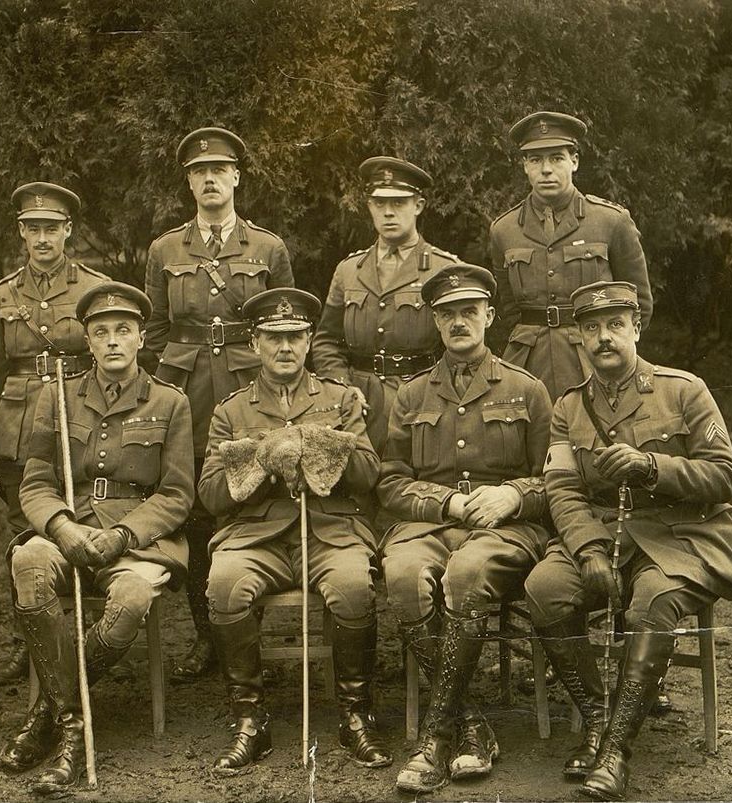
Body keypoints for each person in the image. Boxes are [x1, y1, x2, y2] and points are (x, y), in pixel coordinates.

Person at [525, 281, 732, 800]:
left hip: (681, 536)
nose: (603, 338)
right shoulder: (569, 408)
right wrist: (585, 548)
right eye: (591, 328)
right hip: (602, 534)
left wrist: (653, 466)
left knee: (651, 602)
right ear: (580, 338)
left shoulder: (684, 389)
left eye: (614, 325)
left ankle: (615, 752)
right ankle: (597, 720)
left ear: (635, 328)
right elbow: (561, 487)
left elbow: (724, 476)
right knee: (544, 588)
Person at [2, 282, 193, 793]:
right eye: (101, 332)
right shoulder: (59, 397)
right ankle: (71, 721)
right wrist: (61, 526)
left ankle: (51, 713)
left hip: (139, 536)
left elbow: (177, 494)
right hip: (71, 523)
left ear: (140, 340)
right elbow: (37, 481)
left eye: (124, 331)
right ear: (87, 341)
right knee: (30, 561)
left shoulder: (170, 402)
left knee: (131, 596)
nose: (113, 341)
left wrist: (125, 534)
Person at [199, 288, 392, 774]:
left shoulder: (341, 399)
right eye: (273, 338)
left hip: (329, 530)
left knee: (352, 588)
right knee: (224, 586)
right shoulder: (231, 410)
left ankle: (354, 714)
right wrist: (262, 457)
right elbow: (210, 494)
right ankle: (250, 719)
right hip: (256, 536)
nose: (285, 347)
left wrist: (316, 444)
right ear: (254, 344)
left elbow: (370, 474)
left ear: (309, 342)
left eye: (295, 337)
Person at [378, 265, 552, 793]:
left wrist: (513, 495)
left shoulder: (528, 389)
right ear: (434, 321)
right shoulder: (410, 396)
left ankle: (433, 739)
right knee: (404, 578)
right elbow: (390, 484)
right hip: (428, 526)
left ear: (489, 316)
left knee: (466, 575)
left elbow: (556, 480)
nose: (459, 322)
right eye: (448, 314)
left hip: (504, 531)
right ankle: (471, 725)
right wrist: (448, 502)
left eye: (469, 312)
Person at [144, 126, 294, 682]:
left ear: (236, 178)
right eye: (198, 172)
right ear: (188, 182)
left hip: (246, 389)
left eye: (219, 170)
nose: (209, 179)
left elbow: (284, 328)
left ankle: (257, 628)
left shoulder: (267, 247)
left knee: (258, 490)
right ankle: (211, 635)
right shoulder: (165, 249)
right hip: (186, 391)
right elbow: (155, 330)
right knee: (198, 506)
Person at [0, 182, 109, 683]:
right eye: (33, 229)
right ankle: (29, 639)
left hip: (77, 415)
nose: (42, 238)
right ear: (21, 232)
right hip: (18, 422)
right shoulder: (2, 293)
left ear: (68, 232)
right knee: (23, 527)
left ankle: (89, 627)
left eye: (51, 229)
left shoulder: (91, 288)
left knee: (81, 514)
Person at [489, 112, 651, 400]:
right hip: (527, 364)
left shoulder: (610, 221)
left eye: (556, 158)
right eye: (536, 160)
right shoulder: (504, 229)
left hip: (592, 361)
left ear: (574, 161)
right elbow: (508, 309)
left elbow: (639, 304)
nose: (546, 170)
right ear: (525, 166)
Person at [312, 156, 458, 452]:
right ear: (369, 207)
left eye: (399, 203)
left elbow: (459, 344)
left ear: (418, 206)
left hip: (422, 401)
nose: (388, 213)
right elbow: (326, 341)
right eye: (380, 204)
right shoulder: (348, 270)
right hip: (359, 404)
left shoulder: (444, 271)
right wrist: (341, 387)